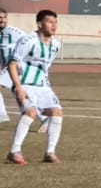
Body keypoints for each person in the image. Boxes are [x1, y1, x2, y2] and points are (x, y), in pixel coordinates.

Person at [6, 9, 64, 164]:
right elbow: (12, 63)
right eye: (50, 22)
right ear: (40, 24)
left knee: (56, 112)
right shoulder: (28, 41)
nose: (54, 25)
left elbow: (45, 68)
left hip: (44, 87)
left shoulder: (56, 45)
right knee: (30, 112)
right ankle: (14, 150)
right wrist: (18, 87)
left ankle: (50, 153)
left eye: (55, 22)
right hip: (25, 85)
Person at [0, 8, 26, 126]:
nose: (2, 20)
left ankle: (2, 115)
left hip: (17, 66)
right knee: (19, 93)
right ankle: (44, 117)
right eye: (0, 17)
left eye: (4, 17)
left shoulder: (15, 32)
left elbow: (30, 43)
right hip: (6, 68)